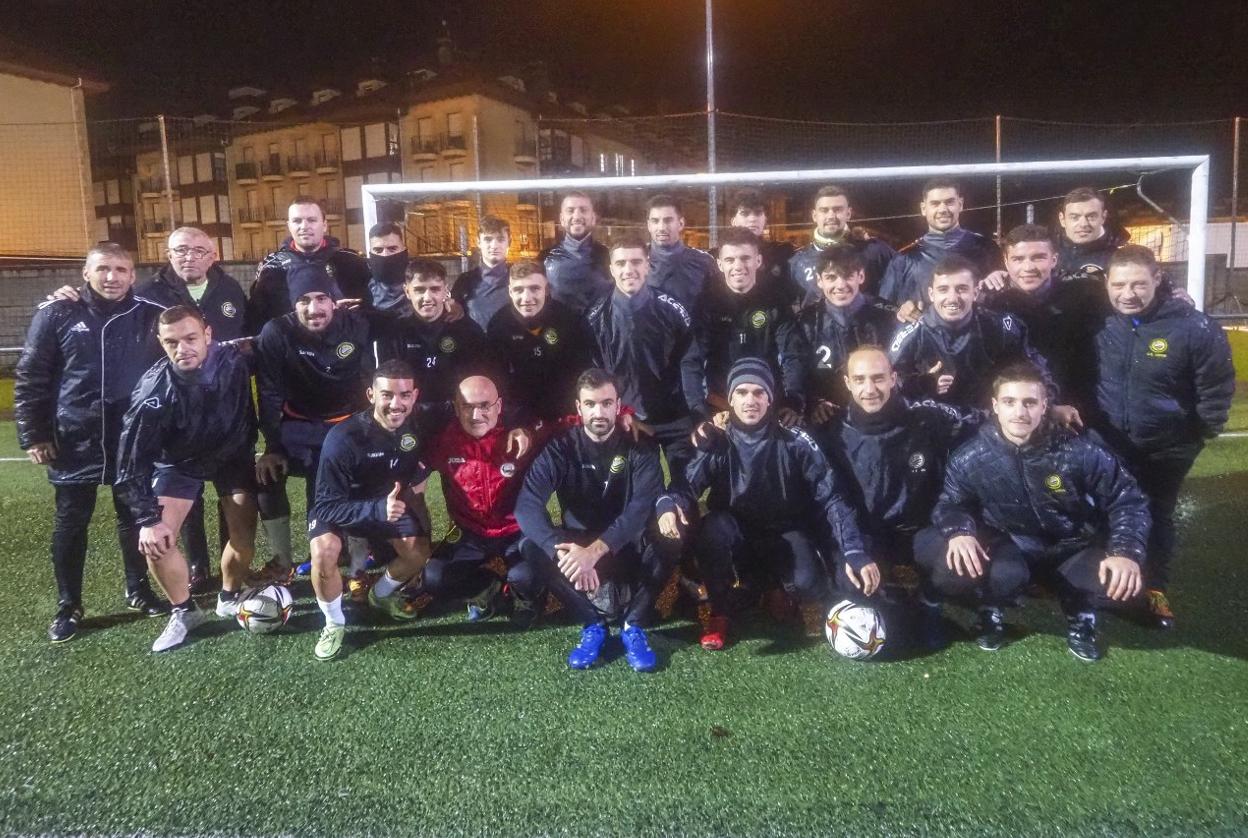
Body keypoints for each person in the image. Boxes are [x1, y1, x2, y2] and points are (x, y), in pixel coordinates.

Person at [914, 363, 1150, 661]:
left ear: (1044, 407)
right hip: (1011, 546)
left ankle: (1081, 612)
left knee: (1122, 585)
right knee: (990, 571)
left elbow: (1127, 499)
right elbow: (950, 502)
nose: (1020, 412)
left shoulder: (1079, 450)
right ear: (995, 406)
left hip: (1070, 548)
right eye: (1010, 402)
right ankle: (990, 606)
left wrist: (1126, 551)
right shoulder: (971, 456)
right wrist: (960, 532)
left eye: (1029, 402)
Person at [658, 358, 867, 651]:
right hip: (737, 533)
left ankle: (772, 589)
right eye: (741, 392)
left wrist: (853, 550)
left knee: (808, 583)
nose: (750, 400)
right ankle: (720, 612)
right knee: (712, 530)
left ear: (770, 398)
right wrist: (669, 504)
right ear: (730, 399)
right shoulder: (718, 439)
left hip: (785, 532)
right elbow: (687, 483)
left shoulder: (796, 440)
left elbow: (832, 495)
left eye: (759, 392)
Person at [16, 242, 167, 643]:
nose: (112, 277)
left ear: (132, 276)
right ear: (86, 273)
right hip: (73, 438)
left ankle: (139, 589)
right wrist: (35, 433)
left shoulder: (150, 316)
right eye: (103, 269)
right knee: (70, 523)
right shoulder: (57, 313)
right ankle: (69, 604)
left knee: (132, 518)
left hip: (129, 439)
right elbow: (32, 375)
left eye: (121, 269)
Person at [1086, 245, 1235, 628]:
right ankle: (1111, 585)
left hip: (1167, 446)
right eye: (1119, 285)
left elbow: (1216, 385)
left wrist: (1200, 432)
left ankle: (1153, 590)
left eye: (1138, 283)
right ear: (1107, 284)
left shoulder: (1193, 326)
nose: (1128, 293)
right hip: (1110, 442)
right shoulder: (1099, 321)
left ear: (1157, 280)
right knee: (1107, 512)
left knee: (1156, 515)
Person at [114, 306, 260, 652]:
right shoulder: (151, 392)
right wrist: (148, 520)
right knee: (155, 541)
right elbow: (129, 463)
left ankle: (228, 596)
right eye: (172, 342)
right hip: (178, 464)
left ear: (208, 335)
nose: (183, 349)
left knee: (244, 537)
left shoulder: (234, 360)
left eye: (191, 338)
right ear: (161, 344)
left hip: (231, 458)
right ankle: (184, 611)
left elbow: (279, 340)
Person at [514, 368, 669, 672]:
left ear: (618, 405)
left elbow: (640, 508)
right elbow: (527, 506)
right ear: (578, 407)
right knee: (531, 545)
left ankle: (633, 625)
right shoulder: (560, 449)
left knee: (669, 535)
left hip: (624, 545)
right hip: (577, 549)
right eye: (590, 404)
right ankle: (592, 623)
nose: (599, 412)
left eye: (606, 403)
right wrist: (560, 547)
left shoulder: (639, 448)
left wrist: (595, 551)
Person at [815, 348, 980, 610]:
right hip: (868, 534)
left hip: (918, 531)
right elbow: (834, 498)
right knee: (853, 584)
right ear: (847, 383)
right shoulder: (832, 432)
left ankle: (929, 597)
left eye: (878, 378)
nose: (870, 388)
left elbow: (986, 423)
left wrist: (1050, 411)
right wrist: (854, 551)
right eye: (859, 379)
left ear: (893, 378)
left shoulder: (926, 417)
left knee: (962, 568)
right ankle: (887, 596)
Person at [254, 262, 385, 591]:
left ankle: (357, 568)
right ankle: (282, 562)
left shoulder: (357, 323)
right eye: (304, 301)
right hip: (298, 425)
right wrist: (272, 446)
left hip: (346, 425)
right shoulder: (276, 332)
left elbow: (401, 323)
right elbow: (269, 392)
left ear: (334, 301)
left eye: (321, 299)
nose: (313, 309)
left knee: (348, 478)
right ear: (293, 304)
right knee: (265, 475)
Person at [135, 226, 248, 595]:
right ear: (168, 254)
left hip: (225, 425)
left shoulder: (230, 289)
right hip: (177, 425)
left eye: (199, 250)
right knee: (185, 503)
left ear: (213, 255)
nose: (190, 257)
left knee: (233, 505)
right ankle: (197, 568)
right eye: (181, 250)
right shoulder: (147, 295)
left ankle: (226, 572)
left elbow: (250, 342)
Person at [307, 360, 434, 661]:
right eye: (387, 394)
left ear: (415, 395)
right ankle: (334, 623)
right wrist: (377, 509)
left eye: (404, 395)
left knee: (419, 552)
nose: (396, 403)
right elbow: (325, 504)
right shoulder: (344, 438)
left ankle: (380, 595)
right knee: (324, 554)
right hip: (341, 506)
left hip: (385, 504)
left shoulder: (420, 423)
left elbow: (454, 423)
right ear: (371, 395)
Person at [585, 234, 705, 497]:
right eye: (622, 263)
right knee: (632, 494)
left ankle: (683, 532)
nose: (629, 270)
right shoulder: (596, 317)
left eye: (636, 262)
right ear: (611, 269)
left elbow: (689, 363)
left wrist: (697, 412)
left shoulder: (672, 309)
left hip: (674, 418)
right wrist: (621, 413)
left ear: (648, 265)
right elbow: (595, 376)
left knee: (684, 489)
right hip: (629, 421)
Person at [421, 374, 546, 625]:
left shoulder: (519, 436)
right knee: (434, 577)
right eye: (467, 406)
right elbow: (413, 472)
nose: (476, 415)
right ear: (455, 408)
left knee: (526, 576)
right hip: (471, 532)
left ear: (499, 406)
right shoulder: (442, 441)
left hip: (517, 530)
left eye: (484, 406)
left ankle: (528, 597)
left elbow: (563, 423)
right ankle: (487, 589)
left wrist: (530, 430)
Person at [887, 254, 1053, 410]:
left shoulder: (1000, 326)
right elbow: (888, 381)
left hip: (989, 418)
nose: (952, 298)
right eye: (943, 289)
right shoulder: (912, 332)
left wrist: (1052, 405)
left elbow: (1034, 369)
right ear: (931, 294)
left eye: (961, 289)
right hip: (933, 419)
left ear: (975, 293)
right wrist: (922, 383)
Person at [978, 224, 1107, 399]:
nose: (1028, 267)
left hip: (1069, 405)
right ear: (1006, 262)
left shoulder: (1079, 299)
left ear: (1054, 259)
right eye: (1018, 259)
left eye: (1038, 257)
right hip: (1012, 408)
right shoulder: (991, 303)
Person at [699, 227, 807, 423]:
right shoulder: (707, 304)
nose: (738, 266)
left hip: (766, 403)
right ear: (720, 264)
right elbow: (693, 360)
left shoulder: (775, 302)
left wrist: (793, 401)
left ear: (758, 261)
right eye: (730, 260)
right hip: (721, 407)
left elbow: (793, 355)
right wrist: (700, 411)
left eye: (745, 258)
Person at [485, 260, 595, 424]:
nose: (526, 298)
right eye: (518, 290)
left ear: (547, 290)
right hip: (520, 420)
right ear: (510, 291)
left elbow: (581, 372)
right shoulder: (498, 325)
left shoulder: (567, 320)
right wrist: (516, 420)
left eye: (534, 289)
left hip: (565, 416)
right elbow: (497, 380)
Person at [245, 196, 370, 334]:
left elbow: (369, 309)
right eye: (297, 221)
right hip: (289, 350)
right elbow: (256, 318)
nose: (304, 226)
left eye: (311, 220)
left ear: (324, 225)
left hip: (344, 348)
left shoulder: (351, 261)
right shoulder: (271, 266)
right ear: (289, 226)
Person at [797, 245, 898, 415]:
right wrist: (814, 402)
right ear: (819, 280)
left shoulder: (887, 316)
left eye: (848, 276)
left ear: (861, 276)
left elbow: (901, 367)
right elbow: (799, 372)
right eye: (831, 278)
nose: (840, 285)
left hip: (880, 411)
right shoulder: (806, 322)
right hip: (827, 417)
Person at [879, 179, 1002, 310]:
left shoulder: (988, 249)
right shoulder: (904, 258)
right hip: (925, 330)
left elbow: (1008, 295)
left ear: (960, 204)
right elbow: (884, 306)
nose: (943, 209)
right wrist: (900, 311)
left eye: (949, 202)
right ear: (923, 208)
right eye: (935, 204)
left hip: (978, 329)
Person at [387, 259, 492, 406]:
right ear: (407, 291)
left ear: (445, 290)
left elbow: (482, 381)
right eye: (419, 290)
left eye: (435, 289)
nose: (427, 298)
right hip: (410, 416)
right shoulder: (395, 333)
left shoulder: (468, 331)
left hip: (457, 416)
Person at [788, 185, 896, 303]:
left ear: (848, 213)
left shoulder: (875, 251)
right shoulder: (798, 262)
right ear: (814, 216)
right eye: (824, 210)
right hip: (816, 321)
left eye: (837, 209)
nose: (831, 216)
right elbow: (789, 307)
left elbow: (906, 283)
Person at [540, 191, 612, 312]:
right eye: (570, 210)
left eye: (583, 210)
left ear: (593, 218)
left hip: (598, 330)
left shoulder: (609, 256)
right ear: (562, 219)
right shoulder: (544, 258)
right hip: (560, 330)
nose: (577, 216)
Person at [644, 194, 720, 308]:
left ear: (681, 224)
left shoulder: (704, 263)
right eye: (655, 221)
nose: (661, 227)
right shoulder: (634, 261)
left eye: (668, 220)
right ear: (649, 225)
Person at [725, 188, 795, 297]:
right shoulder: (717, 256)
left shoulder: (782, 254)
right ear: (733, 221)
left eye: (758, 213)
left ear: (765, 219)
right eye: (745, 213)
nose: (752, 218)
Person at [1056, 187, 1129, 282]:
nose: (1083, 224)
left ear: (1103, 217)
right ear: (1062, 220)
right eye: (1074, 217)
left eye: (1091, 216)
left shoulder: (1119, 260)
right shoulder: (1045, 254)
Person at [453, 215, 513, 330]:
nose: (494, 245)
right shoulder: (465, 282)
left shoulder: (519, 279)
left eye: (500, 239)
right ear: (479, 243)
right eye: (488, 239)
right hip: (476, 346)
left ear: (509, 242)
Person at [365, 221, 411, 314]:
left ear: (403, 248)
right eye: (378, 250)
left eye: (392, 249)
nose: (385, 255)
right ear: (370, 252)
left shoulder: (419, 278)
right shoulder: (362, 282)